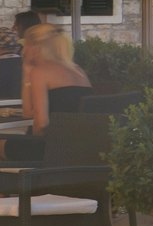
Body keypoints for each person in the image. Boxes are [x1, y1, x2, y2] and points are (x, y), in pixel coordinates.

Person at [1, 25, 93, 162]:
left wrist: (32, 142)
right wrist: (27, 72)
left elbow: (41, 124)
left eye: (26, 45)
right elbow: (28, 113)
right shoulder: (78, 71)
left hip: (49, 149)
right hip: (77, 148)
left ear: (36, 47)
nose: (23, 50)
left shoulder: (41, 72)